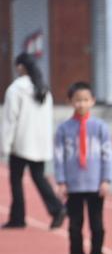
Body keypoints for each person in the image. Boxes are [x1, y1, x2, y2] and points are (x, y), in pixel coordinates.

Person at [53, 82, 112, 254]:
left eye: (85, 100)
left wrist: (106, 179)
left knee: (97, 224)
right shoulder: (63, 129)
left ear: (93, 101)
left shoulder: (100, 128)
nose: (81, 104)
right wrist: (61, 181)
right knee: (75, 224)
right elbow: (58, 157)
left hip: (95, 184)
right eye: (77, 100)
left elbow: (107, 155)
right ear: (70, 101)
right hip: (73, 185)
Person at [1, 53, 65, 229]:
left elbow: (10, 119)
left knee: (16, 179)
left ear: (20, 67)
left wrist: (4, 145)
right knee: (38, 177)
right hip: (39, 143)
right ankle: (56, 208)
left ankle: (18, 217)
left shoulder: (16, 89)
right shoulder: (43, 89)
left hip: (20, 143)